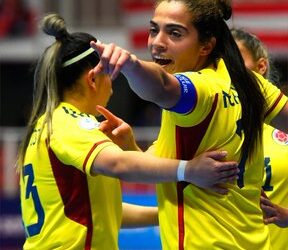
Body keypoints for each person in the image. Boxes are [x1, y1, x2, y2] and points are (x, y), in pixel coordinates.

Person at [16, 13, 240, 250]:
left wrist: (167, 214)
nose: (113, 86)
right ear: (93, 79)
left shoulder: (47, 125)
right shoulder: (70, 121)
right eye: (111, 75)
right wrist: (190, 170)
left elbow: (105, 211)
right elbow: (118, 165)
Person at [90, 0, 288, 249]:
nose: (157, 42)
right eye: (154, 30)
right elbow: (172, 174)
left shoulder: (199, 88)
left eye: (174, 33)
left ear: (206, 45)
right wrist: (131, 144)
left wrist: (130, 64)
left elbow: (161, 85)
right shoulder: (249, 83)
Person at [232, 28, 288, 249]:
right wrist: (130, 144)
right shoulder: (208, 131)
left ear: (261, 66)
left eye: (236, 59)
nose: (226, 70)